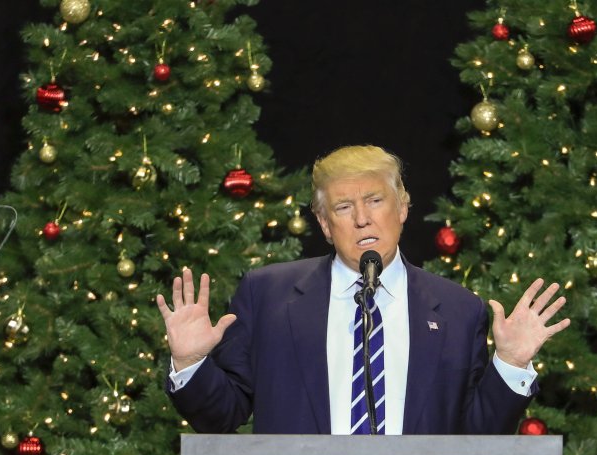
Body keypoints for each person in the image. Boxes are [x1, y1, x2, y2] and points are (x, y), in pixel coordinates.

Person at [156, 145, 570, 435]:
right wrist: (190, 363)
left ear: (403, 207)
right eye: (342, 207)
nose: (361, 219)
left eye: (375, 201)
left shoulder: (459, 311)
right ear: (323, 223)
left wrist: (511, 363)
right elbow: (221, 416)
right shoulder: (268, 296)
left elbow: (478, 434)